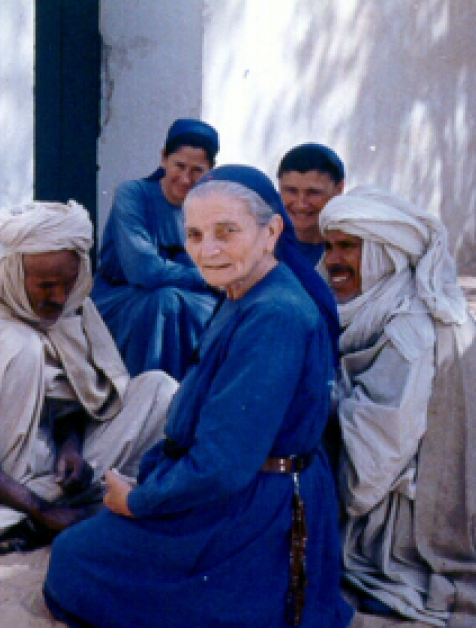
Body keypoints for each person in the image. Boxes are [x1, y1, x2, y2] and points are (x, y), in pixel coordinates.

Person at [44, 166, 352, 628]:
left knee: (76, 559)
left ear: (271, 232)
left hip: (256, 507)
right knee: (86, 549)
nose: (207, 250)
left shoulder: (274, 317)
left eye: (227, 232)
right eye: (194, 234)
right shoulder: (246, 291)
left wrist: (140, 502)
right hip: (244, 486)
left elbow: (224, 463)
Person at [0, 201, 178, 555]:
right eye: (46, 286)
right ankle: (34, 515)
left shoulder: (70, 304)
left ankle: (58, 508)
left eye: (69, 283)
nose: (60, 297)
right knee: (23, 344)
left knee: (159, 389)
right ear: (16, 274)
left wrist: (71, 447)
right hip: (0, 478)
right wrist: (44, 511)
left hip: (54, 466)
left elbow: (79, 393)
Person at [321, 188, 476, 626]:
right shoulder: (379, 304)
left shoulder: (408, 325)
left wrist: (325, 401)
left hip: (407, 507)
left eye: (348, 247)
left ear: (384, 252)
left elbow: (383, 446)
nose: (333, 260)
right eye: (329, 246)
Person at [91, 118, 220, 381]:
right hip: (123, 298)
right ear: (163, 158)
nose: (185, 179)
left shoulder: (213, 210)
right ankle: (149, 399)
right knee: (165, 301)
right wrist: (204, 277)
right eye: (179, 166)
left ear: (210, 171)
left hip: (188, 301)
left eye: (197, 170)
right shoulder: (133, 195)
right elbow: (143, 270)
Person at [277, 143, 345, 265]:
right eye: (291, 191)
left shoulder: (353, 249)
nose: (301, 204)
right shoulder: (263, 247)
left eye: (313, 192)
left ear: (339, 189)